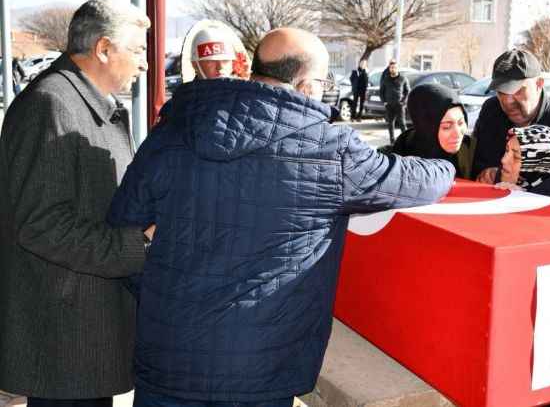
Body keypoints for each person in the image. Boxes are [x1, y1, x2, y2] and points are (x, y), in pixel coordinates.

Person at [106, 27, 455, 407]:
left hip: (167, 357)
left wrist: (166, 296)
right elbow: (415, 181)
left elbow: (122, 236)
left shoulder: (172, 129)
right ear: (307, 86)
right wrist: (447, 165)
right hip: (261, 371)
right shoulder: (330, 149)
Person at [0, 0, 152, 407]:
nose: (145, 64)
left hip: (82, 332)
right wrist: (138, 244)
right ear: (103, 49)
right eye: (138, 50)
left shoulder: (76, 102)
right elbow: (41, 225)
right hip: (64, 339)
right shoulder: (51, 105)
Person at [472, 49, 550, 184]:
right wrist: (485, 173)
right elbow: (477, 163)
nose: (508, 101)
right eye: (501, 92)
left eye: (518, 90)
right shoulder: (491, 110)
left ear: (539, 84)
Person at [388, 83, 476, 179]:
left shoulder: (474, 153)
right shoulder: (393, 163)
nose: (458, 133)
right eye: (446, 127)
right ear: (425, 128)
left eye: (461, 123)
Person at [495, 124, 550, 200]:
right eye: (506, 151)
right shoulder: (504, 175)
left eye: (516, 157)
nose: (504, 160)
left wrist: (523, 199)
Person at [379, 60, 410, 143]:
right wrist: (384, 102)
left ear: (397, 69)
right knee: (390, 124)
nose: (393, 69)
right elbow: (381, 91)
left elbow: (407, 91)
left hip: (399, 105)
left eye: (394, 68)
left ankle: (406, 141)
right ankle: (392, 141)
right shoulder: (386, 79)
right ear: (389, 69)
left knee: (402, 124)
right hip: (389, 105)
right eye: (391, 68)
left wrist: (403, 102)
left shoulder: (403, 78)